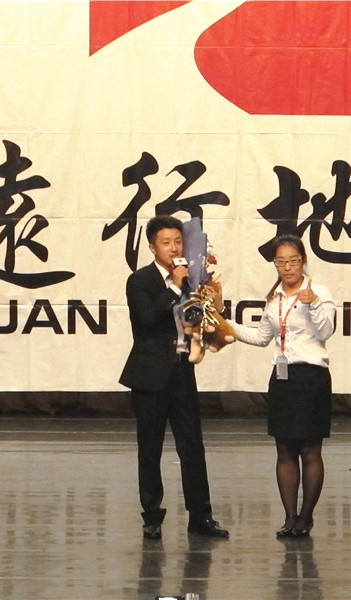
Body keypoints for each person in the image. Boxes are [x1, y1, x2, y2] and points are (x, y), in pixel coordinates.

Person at [120, 215, 229, 540]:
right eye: (166, 243)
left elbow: (205, 318)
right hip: (150, 374)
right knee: (150, 447)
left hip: (182, 370)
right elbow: (146, 319)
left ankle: (201, 517)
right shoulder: (140, 280)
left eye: (178, 241)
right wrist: (174, 286)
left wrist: (211, 301)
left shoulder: (193, 280)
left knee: (192, 446)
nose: (174, 248)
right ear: (153, 247)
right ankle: (152, 516)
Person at [230, 235, 335, 538]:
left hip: (311, 377)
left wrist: (313, 304)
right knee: (284, 449)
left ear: (303, 261)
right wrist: (227, 326)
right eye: (281, 262)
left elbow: (325, 331)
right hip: (282, 378)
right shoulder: (274, 297)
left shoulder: (319, 292)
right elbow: (262, 337)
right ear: (275, 264)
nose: (287, 267)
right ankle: (289, 517)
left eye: (293, 261)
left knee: (310, 450)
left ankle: (306, 516)